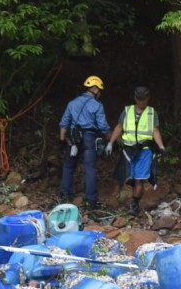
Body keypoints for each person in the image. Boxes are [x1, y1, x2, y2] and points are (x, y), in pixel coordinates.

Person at [107, 86, 166, 214]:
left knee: (139, 178)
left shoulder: (151, 112)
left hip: (144, 150)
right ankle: (134, 195)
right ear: (135, 98)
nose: (141, 102)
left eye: (144, 99)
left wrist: (161, 146)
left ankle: (134, 204)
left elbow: (155, 130)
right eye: (139, 99)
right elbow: (119, 127)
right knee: (129, 178)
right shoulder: (127, 111)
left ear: (148, 98)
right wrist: (111, 142)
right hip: (128, 150)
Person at [58, 75, 112, 211]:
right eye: (99, 90)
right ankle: (90, 201)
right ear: (95, 89)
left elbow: (64, 122)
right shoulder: (97, 105)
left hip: (73, 137)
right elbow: (103, 126)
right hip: (89, 137)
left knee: (68, 166)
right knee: (89, 168)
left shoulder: (72, 103)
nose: (100, 93)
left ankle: (65, 195)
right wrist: (110, 139)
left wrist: (62, 139)